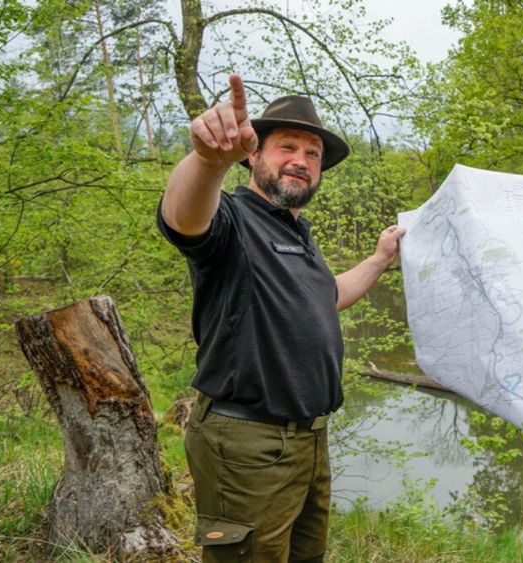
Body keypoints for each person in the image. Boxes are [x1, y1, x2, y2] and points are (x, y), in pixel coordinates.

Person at [158, 74, 404, 562]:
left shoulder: (298, 233)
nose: (302, 161)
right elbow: (183, 218)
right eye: (287, 147)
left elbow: (326, 296)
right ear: (253, 155)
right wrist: (208, 161)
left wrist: (379, 259)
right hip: (248, 443)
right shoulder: (231, 219)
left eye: (313, 154)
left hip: (309, 440)